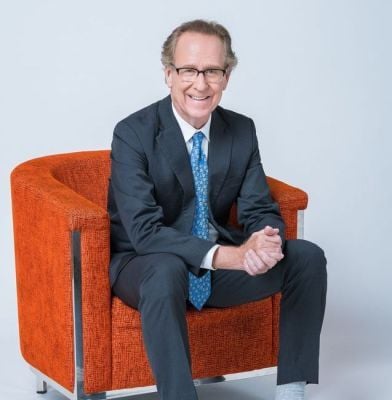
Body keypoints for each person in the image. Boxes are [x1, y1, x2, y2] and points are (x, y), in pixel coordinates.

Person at [108, 19, 327, 400]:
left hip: (217, 270)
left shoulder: (241, 130)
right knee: (166, 268)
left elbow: (259, 205)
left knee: (307, 257)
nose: (201, 83)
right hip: (144, 266)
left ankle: (292, 391)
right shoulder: (132, 133)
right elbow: (144, 232)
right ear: (168, 74)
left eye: (212, 71)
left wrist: (264, 241)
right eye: (189, 70)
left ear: (227, 77)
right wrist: (229, 256)